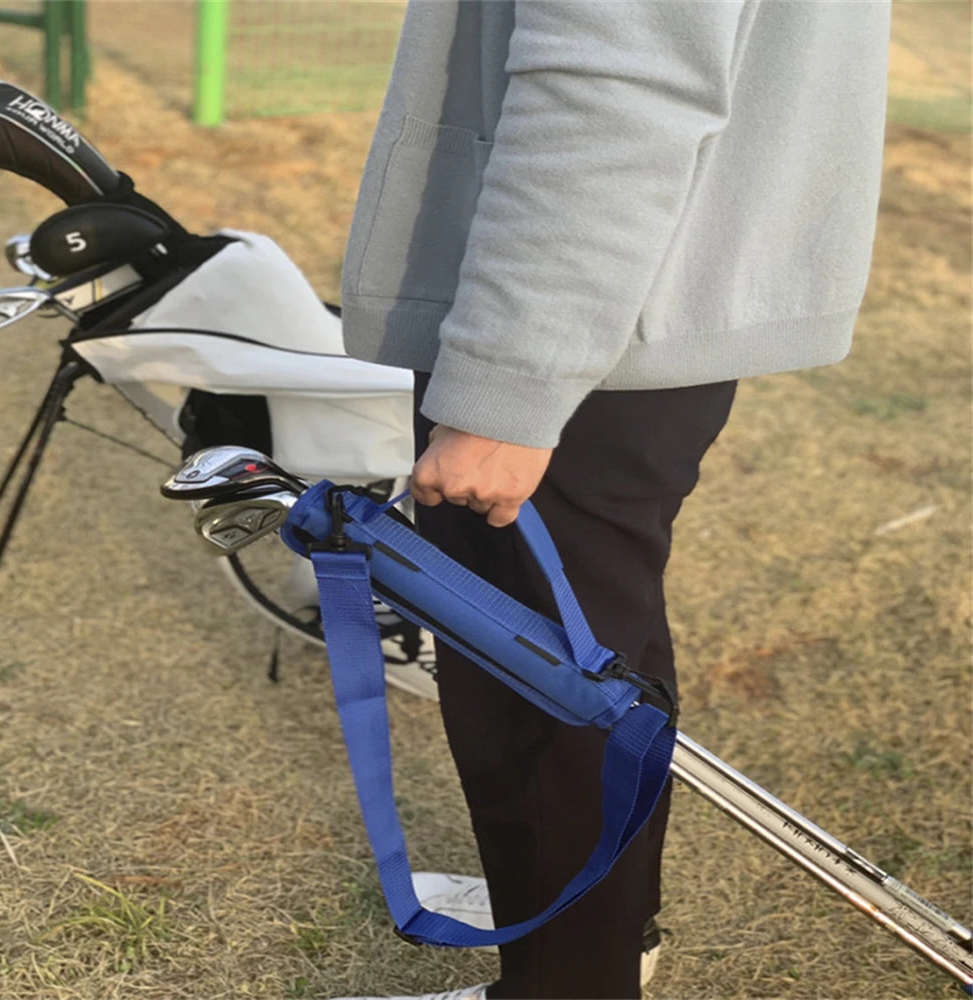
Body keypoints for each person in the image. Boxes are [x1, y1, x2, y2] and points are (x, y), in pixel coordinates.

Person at [335, 2, 891, 998]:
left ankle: (567, 982)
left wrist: (508, 383)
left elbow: (617, 77)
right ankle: (602, 944)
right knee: (597, 657)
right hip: (626, 293)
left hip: (584, 317)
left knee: (538, 690)